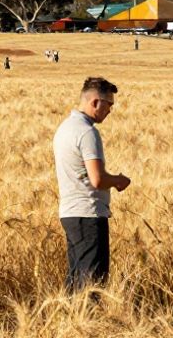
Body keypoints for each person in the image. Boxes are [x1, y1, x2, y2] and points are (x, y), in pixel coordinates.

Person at [53, 76, 131, 293]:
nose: (110, 110)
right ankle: (86, 324)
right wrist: (118, 181)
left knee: (76, 279)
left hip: (70, 213)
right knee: (92, 284)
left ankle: (69, 322)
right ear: (95, 102)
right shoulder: (87, 132)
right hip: (88, 213)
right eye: (109, 104)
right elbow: (97, 180)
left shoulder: (65, 128)